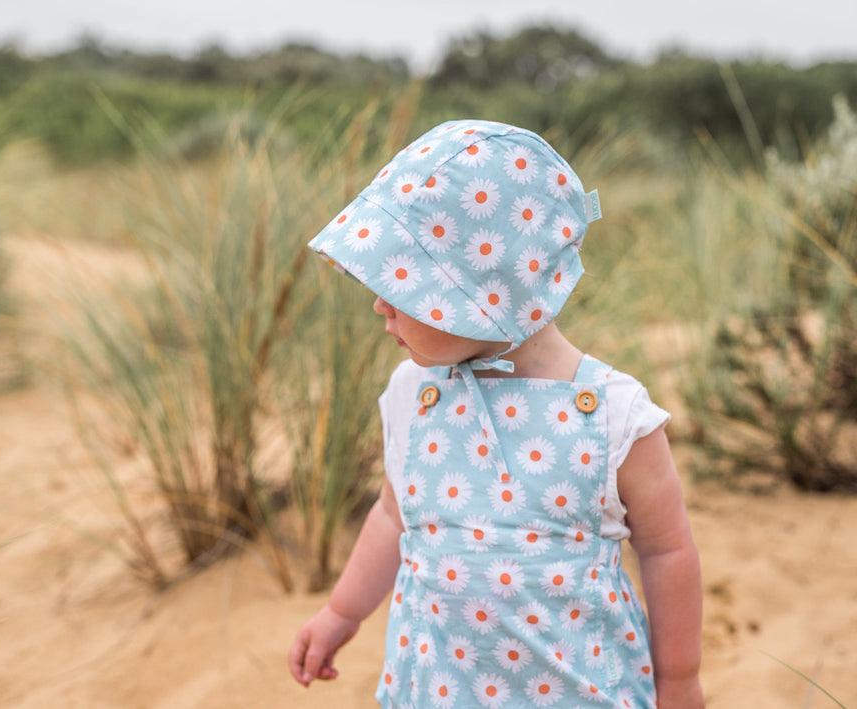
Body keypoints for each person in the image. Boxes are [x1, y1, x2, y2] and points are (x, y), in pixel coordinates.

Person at [288, 119, 703, 708]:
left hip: (579, 691)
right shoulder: (415, 393)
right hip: (438, 686)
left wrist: (680, 681)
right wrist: (342, 611)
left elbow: (666, 550)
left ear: (487, 294)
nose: (379, 304)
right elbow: (390, 515)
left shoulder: (613, 413)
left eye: (404, 289)